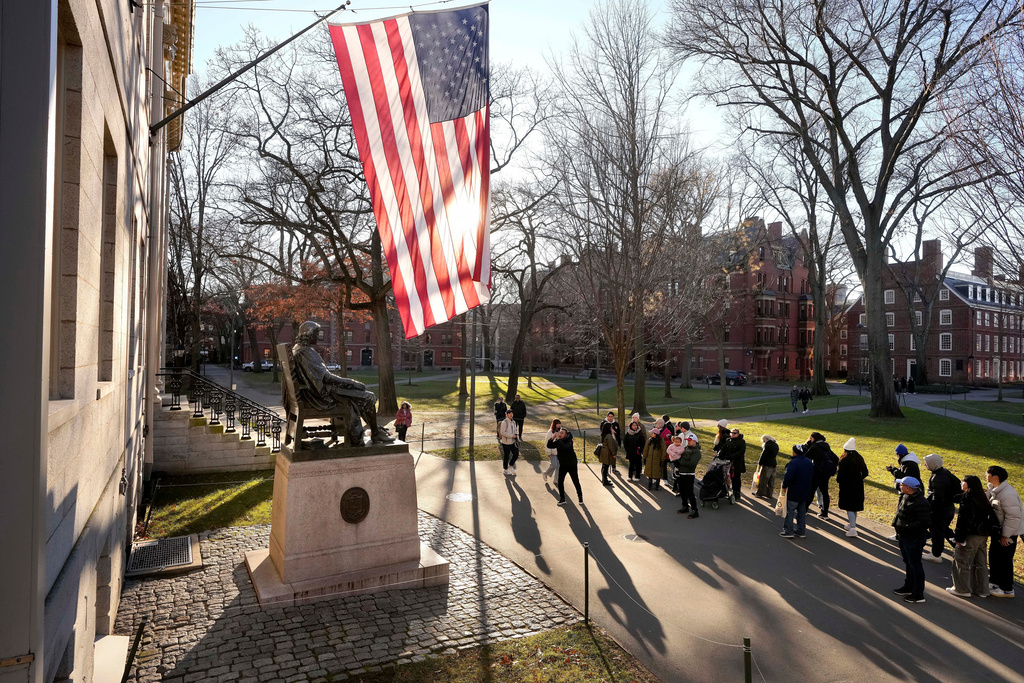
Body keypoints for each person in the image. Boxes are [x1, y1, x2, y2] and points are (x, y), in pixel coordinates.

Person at [289, 321, 394, 445]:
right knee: (368, 397)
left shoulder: (297, 349)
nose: (317, 337)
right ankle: (375, 434)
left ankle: (375, 432)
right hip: (321, 396)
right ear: (309, 334)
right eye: (316, 334)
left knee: (361, 396)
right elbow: (327, 377)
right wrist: (352, 382)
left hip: (312, 393)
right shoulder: (307, 352)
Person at [948, 475, 993, 598]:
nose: (961, 483)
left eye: (964, 482)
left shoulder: (968, 499)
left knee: (961, 560)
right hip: (982, 535)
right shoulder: (982, 497)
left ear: (969, 484)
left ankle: (962, 589)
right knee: (981, 563)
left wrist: (959, 538)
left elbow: (964, 520)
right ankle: (982, 590)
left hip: (970, 535)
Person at [986, 465, 1024, 597]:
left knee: (1004, 560)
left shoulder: (1008, 494)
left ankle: (1007, 589)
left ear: (995, 477)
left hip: (1008, 534)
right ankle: (995, 582)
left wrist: (1005, 535)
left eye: (988, 474)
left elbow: (1013, 517)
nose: (986, 476)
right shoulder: (996, 490)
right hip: (999, 532)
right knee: (995, 556)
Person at [892, 476, 931, 604]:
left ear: (908, 488)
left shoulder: (921, 502)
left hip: (914, 539)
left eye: (901, 484)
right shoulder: (905, 496)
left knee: (915, 565)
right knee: (908, 563)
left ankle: (918, 594)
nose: (899, 486)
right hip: (904, 536)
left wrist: (906, 527)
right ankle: (908, 587)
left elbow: (924, 522)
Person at [923, 454, 960, 564]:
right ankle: (959, 547)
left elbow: (937, 498)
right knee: (945, 530)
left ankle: (936, 554)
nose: (925, 465)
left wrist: (930, 509)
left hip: (939, 511)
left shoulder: (937, 478)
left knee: (937, 532)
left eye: (927, 463)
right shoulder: (945, 473)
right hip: (949, 508)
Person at [836, 438, 869, 538]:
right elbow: (865, 472)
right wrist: (859, 478)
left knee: (849, 507)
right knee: (854, 507)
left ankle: (853, 528)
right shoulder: (859, 458)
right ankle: (852, 524)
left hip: (847, 487)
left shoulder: (844, 461)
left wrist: (839, 479)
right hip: (858, 486)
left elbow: (840, 476)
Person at [780, 444, 815, 539]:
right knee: (801, 512)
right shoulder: (809, 462)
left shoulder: (793, 463)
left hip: (794, 490)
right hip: (805, 490)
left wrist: (784, 486)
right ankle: (801, 530)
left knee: (790, 511)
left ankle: (788, 530)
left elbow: (789, 476)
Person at [547, 427, 583, 507]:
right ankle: (562, 498)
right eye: (560, 432)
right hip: (563, 465)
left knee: (575, 481)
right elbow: (549, 445)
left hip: (571, 464)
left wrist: (558, 440)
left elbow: (565, 447)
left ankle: (580, 497)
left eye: (562, 433)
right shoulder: (558, 441)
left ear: (566, 434)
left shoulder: (569, 441)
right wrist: (552, 438)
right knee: (560, 481)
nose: (560, 434)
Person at [805, 432, 838, 519]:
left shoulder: (815, 447)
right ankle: (824, 513)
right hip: (825, 473)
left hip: (816, 472)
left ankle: (804, 509)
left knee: (811, 491)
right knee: (825, 492)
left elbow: (806, 456)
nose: (810, 440)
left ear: (814, 438)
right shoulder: (826, 446)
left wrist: (807, 446)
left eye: (811, 438)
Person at [676, 434, 702, 518]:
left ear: (695, 441)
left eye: (690, 440)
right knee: (682, 491)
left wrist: (680, 462)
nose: (688, 442)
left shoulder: (696, 452)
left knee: (690, 492)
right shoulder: (686, 448)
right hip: (681, 473)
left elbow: (692, 463)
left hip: (689, 474)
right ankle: (685, 506)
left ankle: (694, 510)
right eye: (687, 440)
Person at [721, 427, 747, 502]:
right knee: (725, 476)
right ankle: (725, 490)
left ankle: (737, 492)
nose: (732, 434)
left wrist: (732, 456)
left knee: (736, 478)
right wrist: (720, 454)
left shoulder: (741, 441)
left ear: (738, 434)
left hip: (737, 463)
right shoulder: (728, 440)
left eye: (734, 433)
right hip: (727, 462)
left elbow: (741, 451)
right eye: (731, 433)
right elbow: (724, 448)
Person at [754, 435, 779, 499]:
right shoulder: (776, 445)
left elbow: (764, 454)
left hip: (767, 464)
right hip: (774, 464)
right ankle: (769, 493)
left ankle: (760, 493)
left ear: (766, 439)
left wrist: (760, 462)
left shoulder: (767, 445)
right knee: (771, 480)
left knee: (763, 479)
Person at [498, 409, 520, 475]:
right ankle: (505, 469)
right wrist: (511, 436)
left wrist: (515, 435)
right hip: (506, 443)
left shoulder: (513, 422)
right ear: (506, 414)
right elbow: (502, 432)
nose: (511, 415)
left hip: (513, 442)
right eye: (509, 413)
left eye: (512, 413)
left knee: (516, 454)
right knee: (506, 456)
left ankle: (510, 466)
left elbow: (515, 430)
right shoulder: (504, 422)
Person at [598, 420, 619, 487]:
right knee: (606, 467)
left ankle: (604, 479)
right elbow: (611, 446)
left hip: (604, 452)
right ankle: (605, 481)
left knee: (604, 467)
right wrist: (614, 454)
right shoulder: (609, 436)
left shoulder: (603, 435)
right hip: (607, 453)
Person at [542, 419, 561, 483]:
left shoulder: (560, 431)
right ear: (555, 424)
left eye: (560, 423)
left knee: (559, 466)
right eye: (558, 423)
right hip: (552, 452)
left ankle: (556, 479)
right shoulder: (550, 432)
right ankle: (545, 473)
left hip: (559, 452)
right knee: (554, 465)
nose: (559, 425)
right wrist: (548, 452)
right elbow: (547, 442)